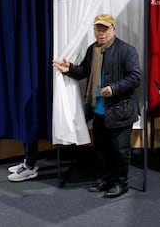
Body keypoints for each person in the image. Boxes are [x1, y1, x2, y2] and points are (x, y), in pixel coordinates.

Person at [52, 14, 141, 198]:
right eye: (98, 29)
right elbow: (85, 71)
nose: (101, 33)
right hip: (99, 109)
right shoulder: (93, 49)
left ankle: (121, 183)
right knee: (102, 149)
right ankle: (106, 179)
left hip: (120, 110)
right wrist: (68, 68)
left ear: (113, 29)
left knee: (120, 151)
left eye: (105, 29)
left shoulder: (126, 50)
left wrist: (113, 88)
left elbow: (135, 77)